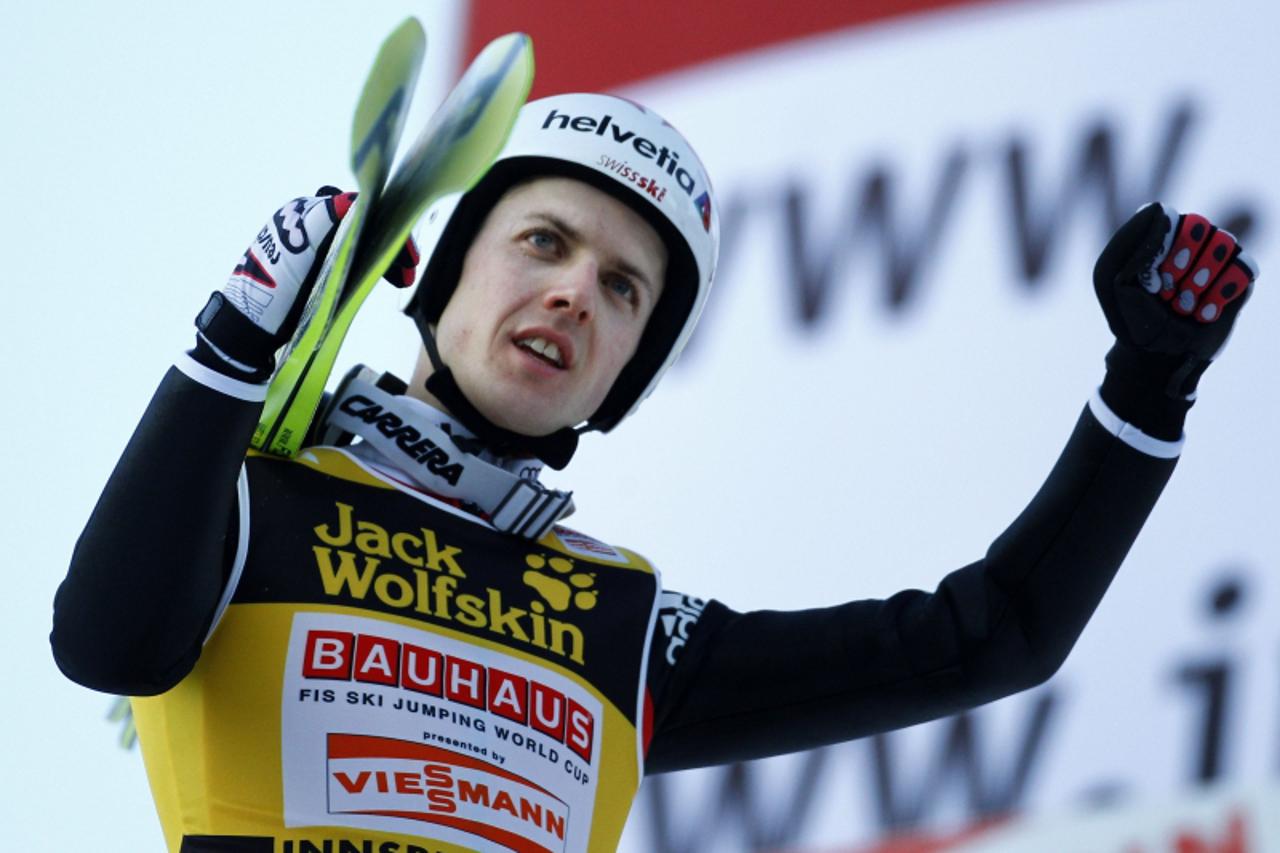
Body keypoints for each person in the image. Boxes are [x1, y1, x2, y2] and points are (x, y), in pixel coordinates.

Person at [51, 91, 1257, 853]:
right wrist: (227, 355)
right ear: (446, 275)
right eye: (542, 241)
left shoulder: (625, 626)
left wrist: (1141, 398)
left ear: (624, 371)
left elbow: (991, 636)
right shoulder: (259, 496)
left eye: (623, 289)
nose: (576, 290)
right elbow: (108, 644)